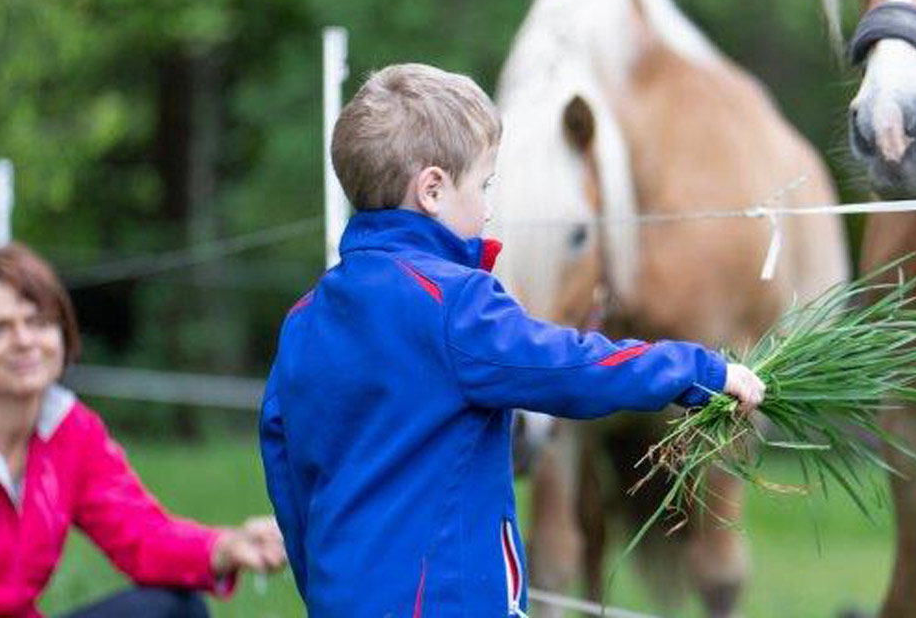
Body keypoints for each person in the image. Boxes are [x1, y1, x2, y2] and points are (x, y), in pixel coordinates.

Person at [260, 63, 767, 616]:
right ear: (432, 189)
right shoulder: (455, 304)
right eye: (484, 185)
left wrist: (324, 583)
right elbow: (570, 368)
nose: (490, 206)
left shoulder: (305, 319)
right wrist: (697, 371)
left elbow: (284, 465)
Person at [0, 244, 287, 617]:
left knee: (174, 610)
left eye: (39, 322)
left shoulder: (73, 431)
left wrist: (226, 547)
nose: (25, 341)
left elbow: (140, 536)